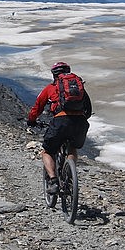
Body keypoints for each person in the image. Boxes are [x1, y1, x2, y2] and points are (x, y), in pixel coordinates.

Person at [27, 62, 91, 194]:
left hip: (61, 121)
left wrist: (31, 121)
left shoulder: (50, 88)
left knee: (47, 151)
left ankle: (54, 181)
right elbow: (88, 109)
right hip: (80, 122)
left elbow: (37, 106)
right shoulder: (79, 89)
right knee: (72, 148)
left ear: (53, 74)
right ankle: (69, 174)